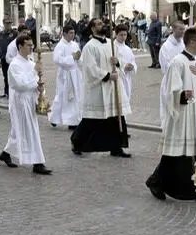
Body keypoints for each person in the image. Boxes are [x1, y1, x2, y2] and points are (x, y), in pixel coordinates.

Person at [146, 27, 196, 203]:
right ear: (191, 42)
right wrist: (182, 95)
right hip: (183, 114)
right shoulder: (177, 62)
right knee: (177, 154)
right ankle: (156, 182)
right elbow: (169, 90)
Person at [71, 18, 131, 158]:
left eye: (102, 23)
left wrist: (117, 62)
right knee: (93, 119)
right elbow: (90, 68)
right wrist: (107, 76)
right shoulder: (89, 46)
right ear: (92, 28)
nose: (102, 25)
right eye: (98, 24)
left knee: (116, 117)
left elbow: (120, 60)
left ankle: (116, 147)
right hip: (99, 87)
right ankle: (77, 142)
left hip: (113, 86)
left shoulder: (111, 43)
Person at [0, 35, 52, 174]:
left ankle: (6, 153)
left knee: (20, 130)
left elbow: (36, 81)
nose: (31, 47)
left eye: (32, 45)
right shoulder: (15, 64)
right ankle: (38, 163)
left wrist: (41, 89)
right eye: (28, 45)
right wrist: (35, 71)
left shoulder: (30, 61)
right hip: (20, 101)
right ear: (20, 46)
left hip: (30, 98)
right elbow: (20, 84)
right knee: (29, 130)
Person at [49, 24, 82, 130]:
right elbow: (57, 60)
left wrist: (79, 58)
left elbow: (79, 58)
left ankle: (73, 120)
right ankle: (54, 118)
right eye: (70, 33)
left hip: (74, 74)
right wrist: (71, 58)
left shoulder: (74, 44)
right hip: (65, 75)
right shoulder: (60, 46)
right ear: (64, 34)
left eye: (73, 33)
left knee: (74, 96)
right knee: (62, 96)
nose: (73, 35)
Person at [113, 23, 138, 102]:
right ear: (116, 34)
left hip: (127, 78)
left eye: (125, 35)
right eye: (121, 35)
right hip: (118, 78)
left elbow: (133, 60)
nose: (123, 37)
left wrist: (132, 66)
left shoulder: (128, 48)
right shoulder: (112, 47)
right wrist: (123, 67)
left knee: (126, 100)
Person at [0, 19, 16, 98]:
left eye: (9, 23)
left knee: (12, 76)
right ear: (3, 24)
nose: (8, 25)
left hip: (12, 59)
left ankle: (12, 92)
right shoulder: (0, 34)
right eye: (6, 23)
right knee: (5, 76)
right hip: (3, 58)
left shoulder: (14, 34)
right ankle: (6, 92)